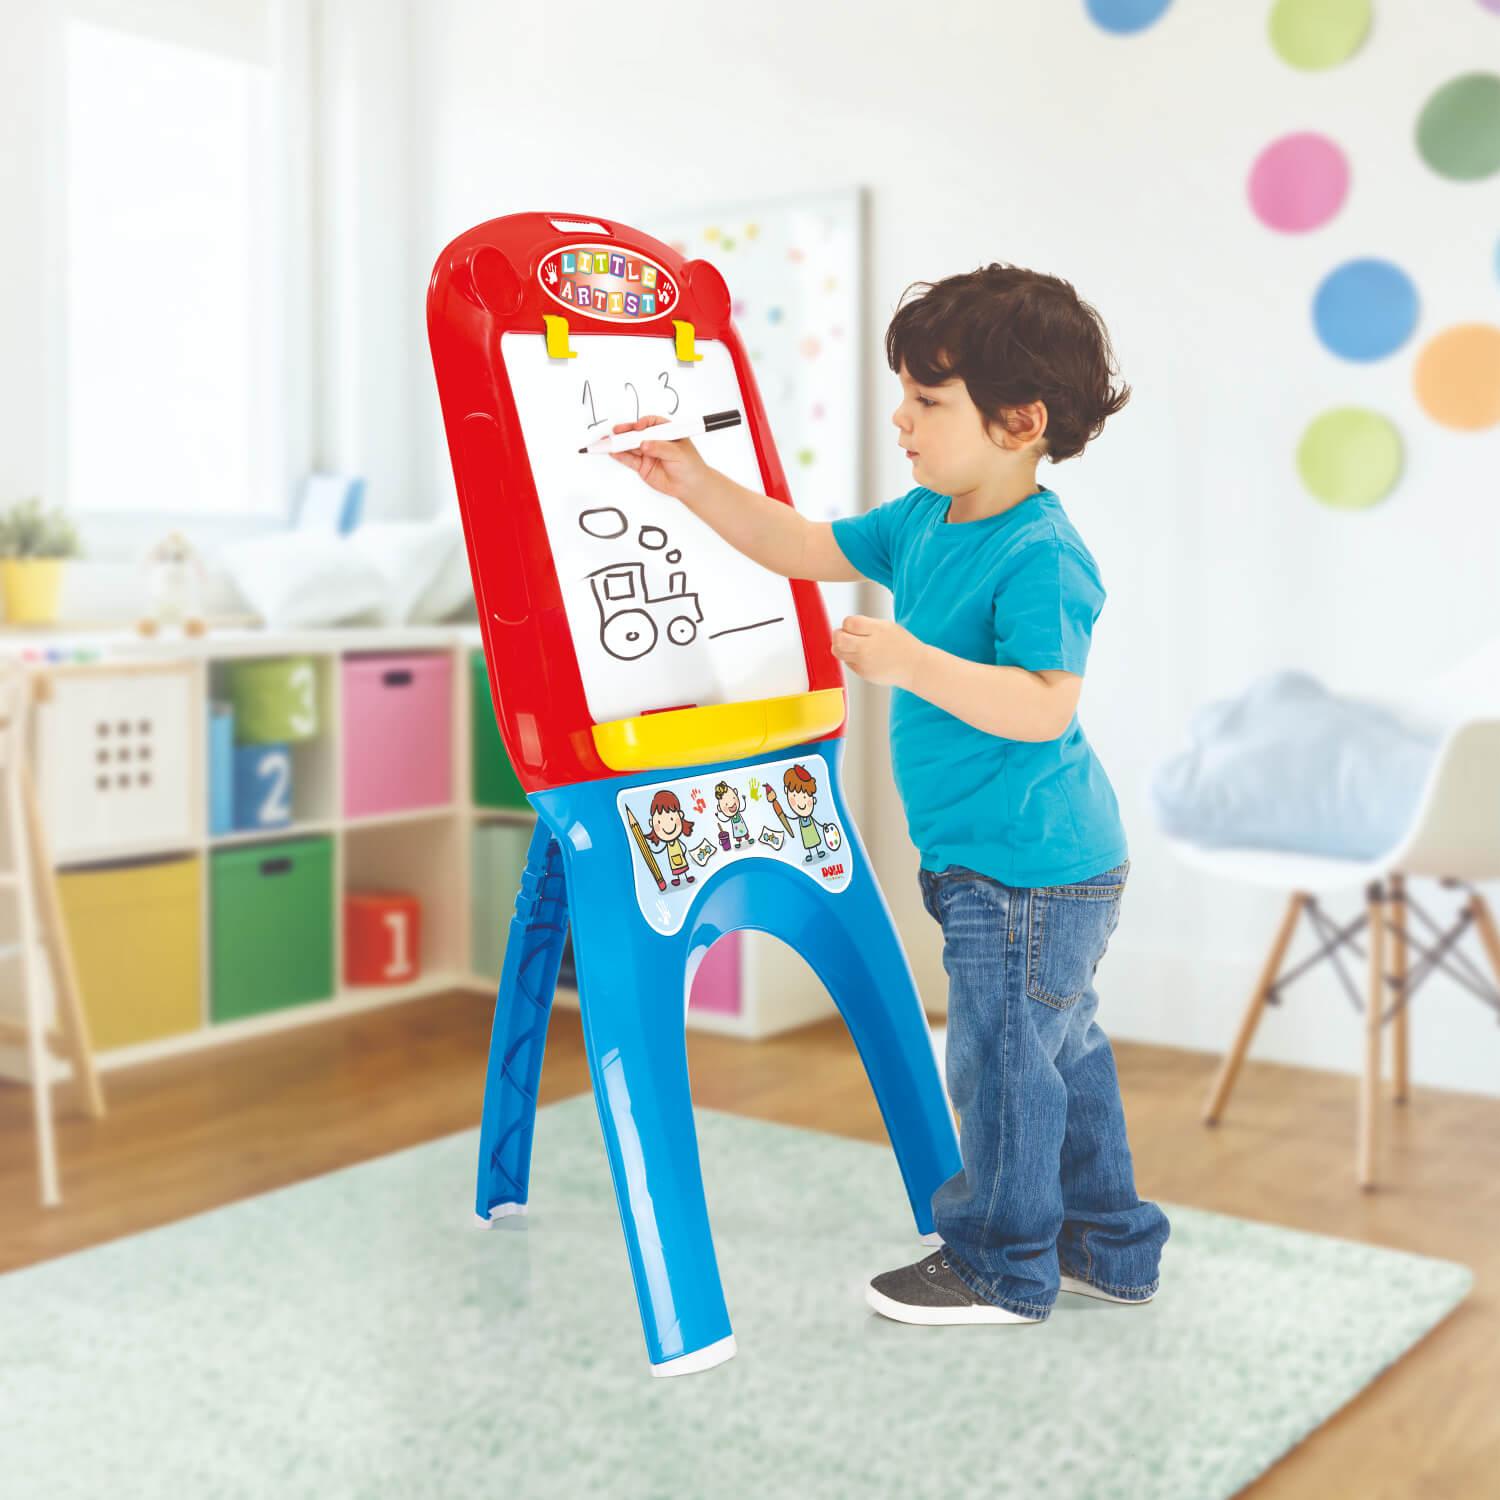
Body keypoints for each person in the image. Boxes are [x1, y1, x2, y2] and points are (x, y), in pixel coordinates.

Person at [608, 261, 1170, 1327]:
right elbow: (801, 545)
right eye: (903, 396)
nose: (901, 421)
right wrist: (692, 480)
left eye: (927, 401)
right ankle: (1110, 1247)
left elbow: (1043, 704)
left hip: (1031, 869)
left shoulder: (1042, 555)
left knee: (1003, 1068)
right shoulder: (922, 520)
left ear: (1019, 421)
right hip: (999, 862)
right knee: (1059, 1055)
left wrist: (911, 661)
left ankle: (1001, 1267)